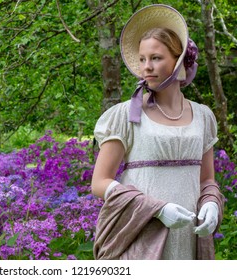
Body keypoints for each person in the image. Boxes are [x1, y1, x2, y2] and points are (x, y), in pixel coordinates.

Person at [91, 4, 224, 260]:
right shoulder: (125, 115)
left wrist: (210, 202)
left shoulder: (203, 116)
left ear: (179, 60)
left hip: (188, 236)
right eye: (142, 59)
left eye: (156, 58)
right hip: (142, 232)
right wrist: (157, 210)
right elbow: (99, 183)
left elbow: (207, 180)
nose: (146, 67)